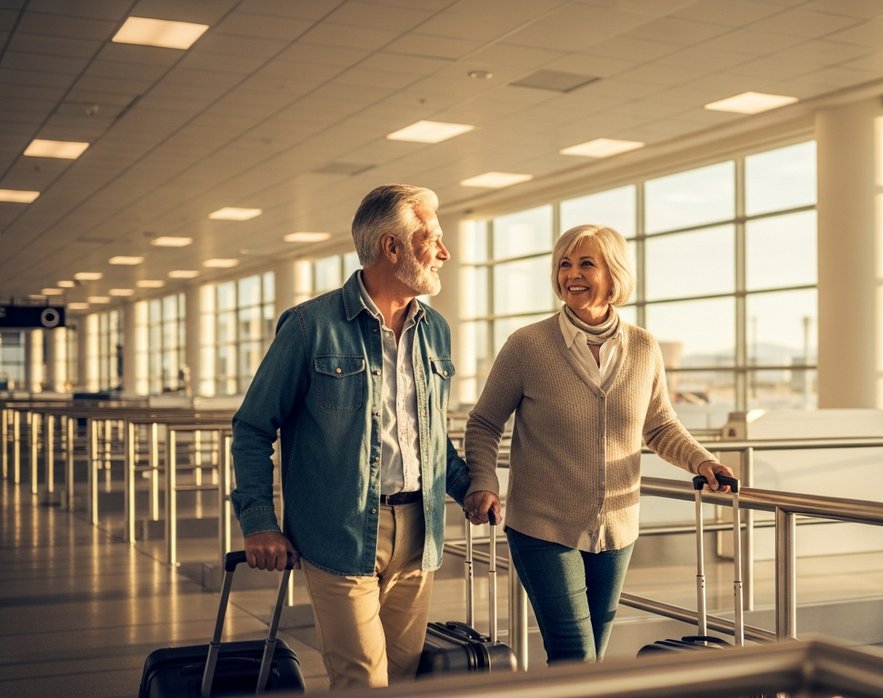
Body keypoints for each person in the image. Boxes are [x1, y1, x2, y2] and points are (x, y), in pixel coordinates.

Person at [231, 184, 470, 689]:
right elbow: (252, 428)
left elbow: (431, 438)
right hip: (340, 530)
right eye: (434, 240)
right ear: (393, 247)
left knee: (402, 680)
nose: (445, 254)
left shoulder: (436, 331)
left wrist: (471, 489)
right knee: (363, 681)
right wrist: (258, 523)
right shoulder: (309, 326)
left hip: (419, 532)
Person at [463, 224, 735, 665]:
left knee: (593, 660)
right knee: (576, 657)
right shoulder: (527, 346)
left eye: (586, 263)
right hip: (543, 528)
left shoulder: (645, 347)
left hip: (617, 530)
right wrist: (483, 481)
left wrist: (702, 461)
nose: (572, 273)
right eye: (564, 264)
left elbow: (660, 424)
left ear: (615, 274)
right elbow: (484, 423)